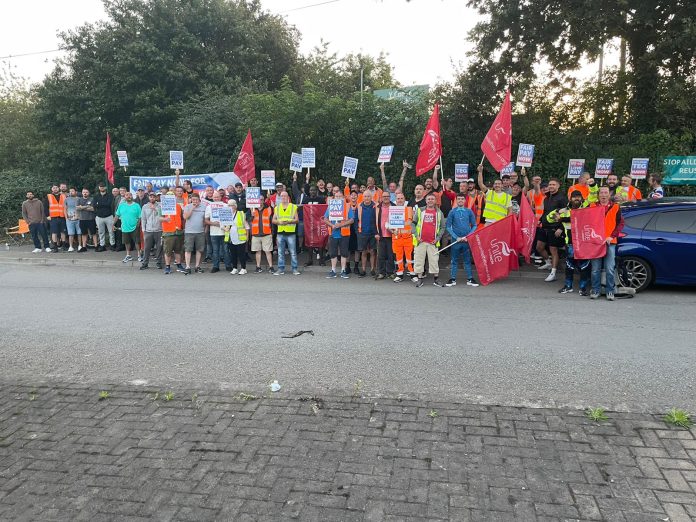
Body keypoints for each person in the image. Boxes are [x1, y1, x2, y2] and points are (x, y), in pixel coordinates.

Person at [546, 190, 590, 295]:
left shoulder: (585, 208)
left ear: (582, 198)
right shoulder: (564, 210)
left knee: (584, 267)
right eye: (574, 197)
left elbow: (576, 219)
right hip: (570, 243)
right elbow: (549, 219)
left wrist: (561, 219)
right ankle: (568, 286)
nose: (576, 199)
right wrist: (556, 213)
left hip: (583, 243)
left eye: (579, 197)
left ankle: (583, 288)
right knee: (569, 267)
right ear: (570, 199)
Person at [590, 186, 624, 301]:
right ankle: (595, 290)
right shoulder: (592, 206)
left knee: (610, 269)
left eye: (606, 193)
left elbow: (620, 224)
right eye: (601, 193)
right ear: (598, 195)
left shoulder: (615, 207)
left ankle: (610, 290)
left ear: (609, 195)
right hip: (596, 242)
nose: (603, 195)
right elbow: (585, 221)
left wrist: (611, 236)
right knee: (595, 269)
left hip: (610, 242)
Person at [537, 178, 568, 282]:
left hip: (555, 228)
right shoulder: (546, 198)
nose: (551, 186)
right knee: (539, 247)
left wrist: (560, 228)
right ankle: (548, 264)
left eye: (553, 184)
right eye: (550, 184)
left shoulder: (562, 198)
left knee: (553, 250)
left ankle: (553, 273)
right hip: (544, 227)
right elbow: (546, 212)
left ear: (558, 186)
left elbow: (565, 214)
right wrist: (540, 220)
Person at [444, 193, 479, 287]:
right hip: (456, 241)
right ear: (456, 200)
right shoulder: (452, 212)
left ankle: (470, 279)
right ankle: (452, 279)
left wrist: (468, 236)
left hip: (467, 241)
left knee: (467, 260)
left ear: (465, 201)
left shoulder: (469, 211)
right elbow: (448, 226)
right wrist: (456, 237)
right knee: (454, 260)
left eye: (462, 199)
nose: (460, 200)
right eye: (458, 199)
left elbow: (475, 225)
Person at [412, 194, 445, 287]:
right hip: (420, 241)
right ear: (426, 201)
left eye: (432, 199)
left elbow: (443, 227)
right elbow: (413, 224)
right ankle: (419, 279)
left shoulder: (439, 212)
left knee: (434, 261)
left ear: (435, 201)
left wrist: (437, 238)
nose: (430, 200)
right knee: (419, 260)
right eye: (428, 199)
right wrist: (416, 236)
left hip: (433, 242)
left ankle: (436, 279)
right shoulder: (419, 210)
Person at [322, 196, 354, 279]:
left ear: (343, 197)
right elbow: (325, 219)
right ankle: (333, 270)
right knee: (333, 253)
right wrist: (332, 225)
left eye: (340, 196)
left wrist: (341, 225)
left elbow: (352, 220)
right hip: (333, 233)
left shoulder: (347, 206)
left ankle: (343, 270)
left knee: (344, 253)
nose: (338, 198)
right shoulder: (331, 206)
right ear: (334, 197)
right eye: (336, 196)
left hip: (344, 233)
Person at [272, 191, 300, 275]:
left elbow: (297, 220)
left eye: (285, 196)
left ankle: (294, 269)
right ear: (280, 198)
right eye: (282, 196)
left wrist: (289, 221)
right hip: (280, 232)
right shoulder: (277, 208)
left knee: (293, 252)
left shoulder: (293, 207)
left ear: (288, 197)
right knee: (280, 252)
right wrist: (279, 222)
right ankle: (281, 269)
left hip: (290, 232)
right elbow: (273, 220)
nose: (283, 197)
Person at [204, 192, 232, 274]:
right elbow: (206, 220)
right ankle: (216, 266)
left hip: (224, 232)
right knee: (215, 250)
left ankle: (228, 266)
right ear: (212, 198)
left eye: (217, 197)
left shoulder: (226, 206)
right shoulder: (209, 207)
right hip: (214, 232)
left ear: (221, 197)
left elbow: (229, 219)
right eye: (214, 197)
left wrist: (225, 225)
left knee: (226, 250)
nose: (216, 198)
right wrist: (213, 223)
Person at [390, 193, 415, 283]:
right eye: (398, 198)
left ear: (404, 200)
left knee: (409, 257)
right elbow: (389, 224)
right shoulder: (392, 210)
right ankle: (399, 274)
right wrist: (391, 229)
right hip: (396, 238)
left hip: (407, 238)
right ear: (396, 200)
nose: (400, 200)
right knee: (398, 257)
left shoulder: (408, 209)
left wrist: (397, 223)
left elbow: (409, 222)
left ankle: (412, 274)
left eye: (401, 198)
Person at [160, 193, 185, 275]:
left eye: (172, 196)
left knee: (178, 250)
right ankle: (168, 267)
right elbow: (158, 217)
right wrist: (165, 219)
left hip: (178, 232)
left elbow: (182, 218)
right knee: (168, 251)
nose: (170, 197)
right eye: (169, 196)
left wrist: (182, 228)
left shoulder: (178, 206)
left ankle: (179, 265)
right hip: (168, 232)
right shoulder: (162, 206)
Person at [182, 193, 207, 274]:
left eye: (196, 200)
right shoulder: (187, 206)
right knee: (188, 249)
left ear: (199, 199)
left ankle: (197, 266)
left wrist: (205, 229)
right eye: (193, 200)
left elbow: (205, 219)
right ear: (191, 200)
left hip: (200, 231)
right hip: (189, 232)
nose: (195, 201)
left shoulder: (204, 207)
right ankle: (188, 266)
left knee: (199, 250)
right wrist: (192, 208)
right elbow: (186, 217)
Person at [114, 191, 142, 263]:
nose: (128, 196)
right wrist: (112, 224)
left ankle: (139, 255)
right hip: (125, 227)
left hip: (135, 227)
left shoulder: (136, 205)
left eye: (130, 195)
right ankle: (128, 255)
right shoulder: (121, 205)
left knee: (137, 242)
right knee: (127, 242)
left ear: (132, 196)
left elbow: (140, 216)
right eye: (127, 195)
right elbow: (117, 215)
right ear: (125, 197)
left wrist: (138, 225)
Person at [356, 190, 378, 277]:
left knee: (373, 252)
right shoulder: (360, 206)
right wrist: (357, 231)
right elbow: (355, 220)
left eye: (368, 196)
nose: (367, 198)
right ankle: (364, 270)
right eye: (365, 196)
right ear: (363, 197)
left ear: (371, 197)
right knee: (364, 252)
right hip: (362, 232)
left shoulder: (376, 206)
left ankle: (373, 269)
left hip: (373, 232)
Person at [140, 192, 163, 270]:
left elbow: (162, 216)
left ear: (156, 197)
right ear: (148, 197)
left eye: (154, 197)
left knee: (159, 248)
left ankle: (159, 263)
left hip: (159, 230)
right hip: (148, 230)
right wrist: (143, 229)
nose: (152, 198)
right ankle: (145, 263)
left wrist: (155, 209)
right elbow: (143, 219)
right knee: (147, 248)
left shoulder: (160, 206)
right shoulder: (145, 206)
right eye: (151, 197)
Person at [250, 199, 274, 273]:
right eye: (258, 200)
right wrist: (251, 215)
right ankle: (258, 267)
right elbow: (248, 220)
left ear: (263, 201)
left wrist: (269, 198)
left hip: (266, 234)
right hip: (256, 234)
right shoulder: (252, 209)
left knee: (268, 251)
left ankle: (271, 267)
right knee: (258, 251)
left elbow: (274, 212)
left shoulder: (269, 209)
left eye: (261, 200)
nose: (260, 201)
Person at [375, 191, 394, 279]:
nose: (386, 198)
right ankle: (381, 272)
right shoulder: (377, 207)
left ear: (390, 197)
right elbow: (373, 221)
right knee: (381, 255)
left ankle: (390, 272)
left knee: (391, 255)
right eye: (384, 196)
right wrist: (376, 233)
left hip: (392, 235)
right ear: (381, 198)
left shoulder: (395, 207)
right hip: (381, 234)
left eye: (387, 196)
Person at [93, 182, 116, 251]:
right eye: (100, 187)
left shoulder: (110, 195)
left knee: (111, 232)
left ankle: (112, 245)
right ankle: (102, 245)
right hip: (99, 216)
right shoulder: (96, 196)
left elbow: (109, 204)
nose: (102, 188)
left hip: (109, 216)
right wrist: (101, 204)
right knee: (101, 232)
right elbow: (94, 205)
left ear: (105, 187)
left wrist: (99, 204)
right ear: (99, 188)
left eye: (103, 186)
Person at [45, 185, 67, 251]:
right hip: (53, 217)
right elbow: (45, 207)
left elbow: (67, 206)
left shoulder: (64, 196)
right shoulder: (48, 196)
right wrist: (47, 216)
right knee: (54, 232)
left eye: (56, 188)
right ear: (52, 189)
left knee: (63, 232)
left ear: (58, 188)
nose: (55, 189)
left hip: (62, 216)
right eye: (53, 188)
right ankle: (55, 247)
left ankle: (63, 246)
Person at [63, 187, 81, 252]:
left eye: (72, 191)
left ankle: (80, 245)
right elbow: (65, 209)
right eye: (70, 191)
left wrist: (79, 216)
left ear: (76, 192)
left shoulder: (79, 199)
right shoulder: (66, 199)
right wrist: (66, 218)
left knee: (79, 233)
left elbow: (81, 208)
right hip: (69, 219)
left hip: (78, 219)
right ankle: (71, 246)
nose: (71, 192)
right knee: (70, 233)